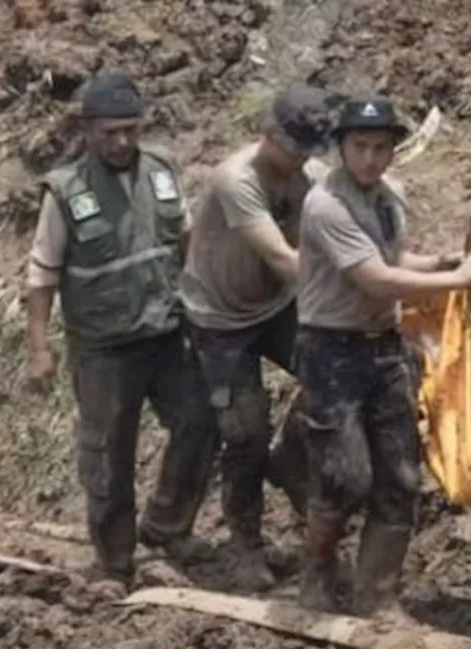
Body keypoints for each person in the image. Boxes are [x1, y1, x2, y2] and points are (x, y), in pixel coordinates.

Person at [24, 71, 219, 592]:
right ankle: (114, 562)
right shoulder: (66, 192)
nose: (122, 142)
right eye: (110, 132)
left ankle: (168, 526)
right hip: (104, 348)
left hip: (164, 332)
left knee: (201, 421)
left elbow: (185, 239)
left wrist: (203, 303)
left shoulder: (160, 170)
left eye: (130, 130)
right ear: (86, 131)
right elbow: (41, 274)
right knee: (108, 454)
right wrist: (39, 347)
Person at [293, 94, 471, 616]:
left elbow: (393, 259)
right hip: (330, 346)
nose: (371, 159)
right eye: (360, 147)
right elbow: (375, 279)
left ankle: (377, 595)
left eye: (381, 148)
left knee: (401, 476)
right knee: (345, 475)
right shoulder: (325, 205)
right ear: (340, 148)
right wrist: (454, 280)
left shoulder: (387, 197)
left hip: (380, 347)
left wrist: (440, 261)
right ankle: (315, 573)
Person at [178, 83, 334, 590]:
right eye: (293, 148)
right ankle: (245, 545)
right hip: (220, 317)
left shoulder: (311, 175)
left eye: (308, 151)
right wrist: (361, 276)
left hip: (274, 306)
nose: (299, 161)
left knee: (335, 374)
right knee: (244, 432)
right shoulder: (235, 180)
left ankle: (291, 454)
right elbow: (284, 259)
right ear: (268, 135)